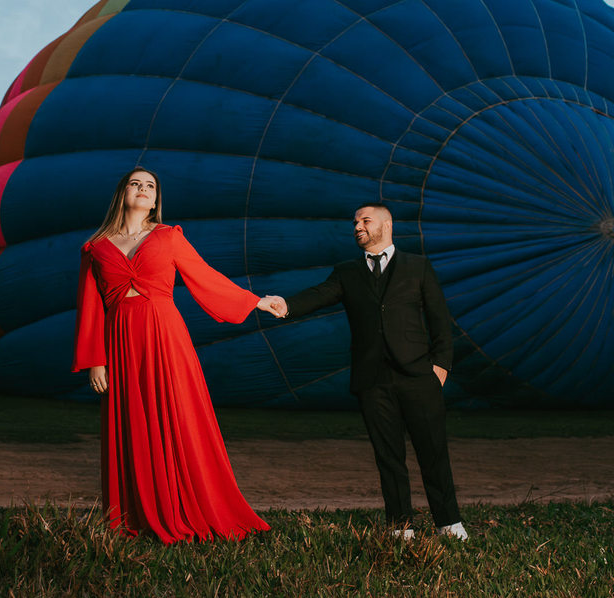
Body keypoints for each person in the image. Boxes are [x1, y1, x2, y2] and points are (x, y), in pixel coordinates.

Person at [73, 167, 282, 543]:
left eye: (150, 186)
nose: (143, 189)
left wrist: (255, 301)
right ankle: (138, 513)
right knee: (132, 423)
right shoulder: (95, 248)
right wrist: (95, 360)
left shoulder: (169, 237)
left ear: (156, 200)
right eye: (136, 183)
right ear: (123, 192)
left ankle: (192, 506)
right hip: (121, 339)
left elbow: (205, 276)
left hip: (165, 333)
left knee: (178, 414)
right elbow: (90, 308)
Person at [265, 203, 467, 540]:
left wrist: (440, 368)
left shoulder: (417, 266)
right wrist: (287, 305)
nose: (357, 226)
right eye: (355, 222)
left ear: (386, 225)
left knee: (432, 452)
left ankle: (449, 522)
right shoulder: (347, 271)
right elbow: (319, 294)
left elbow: (439, 321)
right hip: (373, 379)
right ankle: (401, 526)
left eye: (365, 220)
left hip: (419, 376)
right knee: (388, 456)